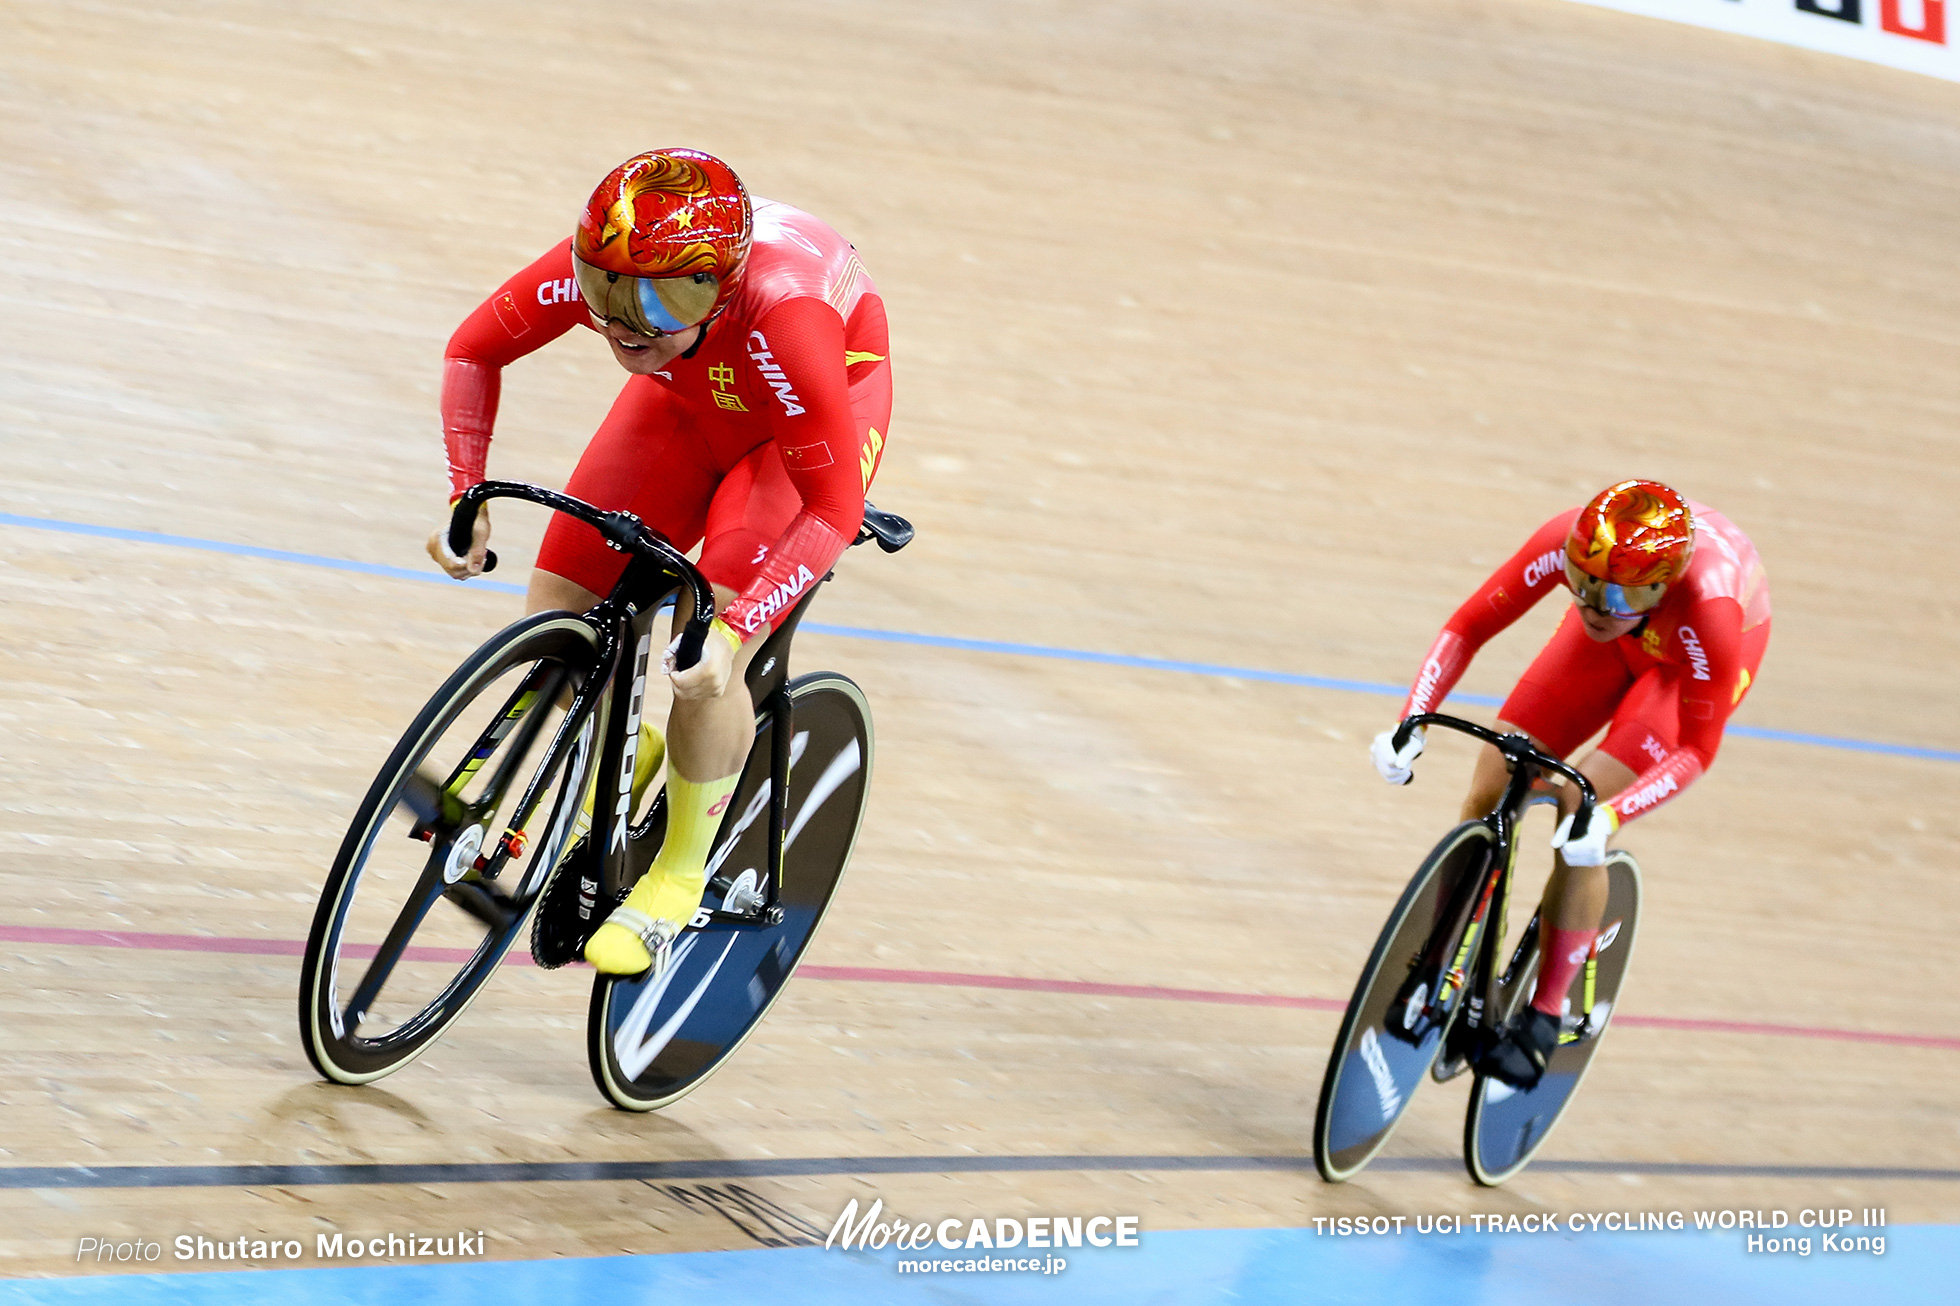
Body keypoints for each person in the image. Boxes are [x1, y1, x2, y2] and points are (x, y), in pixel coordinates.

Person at [425, 148, 892, 977]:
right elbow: (474, 350)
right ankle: (607, 763)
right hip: (688, 396)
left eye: (654, 301)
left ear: (717, 286)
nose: (621, 322)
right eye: (605, 292)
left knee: (701, 655)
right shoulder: (625, 264)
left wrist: (738, 627)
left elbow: (831, 506)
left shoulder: (784, 316)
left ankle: (676, 877)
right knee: (559, 610)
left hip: (797, 433)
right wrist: (468, 495)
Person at [1370, 479, 1770, 1084]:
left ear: (1663, 586)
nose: (1596, 606)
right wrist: (1410, 720)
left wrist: (1606, 818)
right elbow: (1469, 625)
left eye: (1620, 595)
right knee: (1494, 777)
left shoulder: (1710, 611)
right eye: (1584, 586)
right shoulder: (1573, 549)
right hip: (1610, 651)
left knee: (1580, 800)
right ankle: (1441, 959)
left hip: (1686, 666)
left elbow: (1697, 749)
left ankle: (1542, 1017)